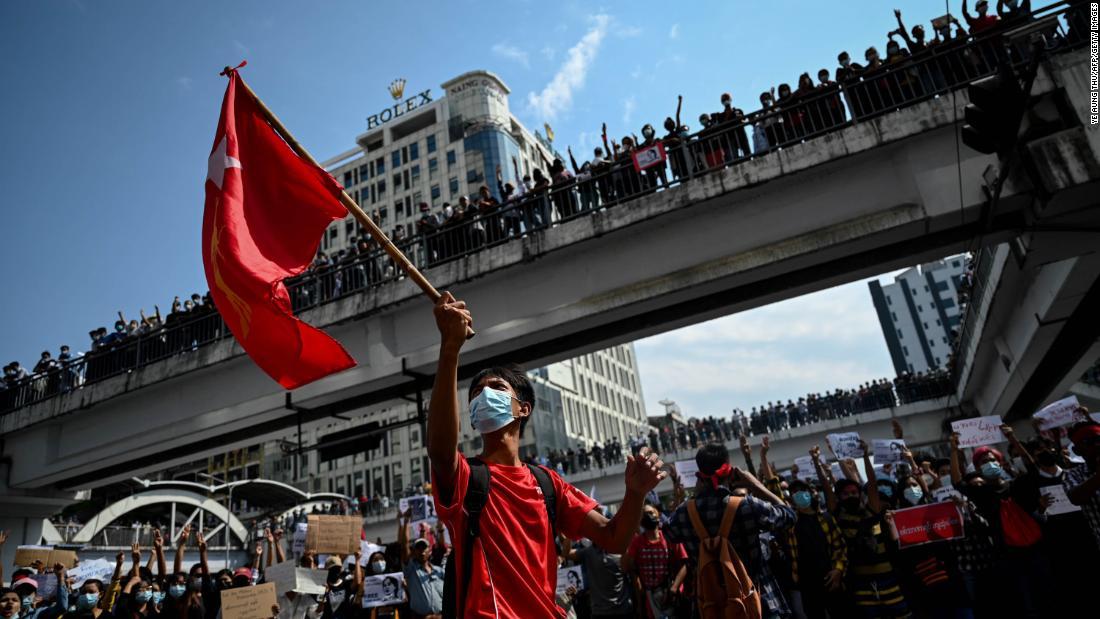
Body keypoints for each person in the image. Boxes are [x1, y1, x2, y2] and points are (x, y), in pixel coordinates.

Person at [427, 292, 665, 618]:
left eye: (496, 388)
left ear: (523, 408)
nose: (483, 396)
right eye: (476, 394)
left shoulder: (549, 484)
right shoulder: (466, 478)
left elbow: (614, 539)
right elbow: (440, 451)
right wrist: (450, 348)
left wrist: (635, 494)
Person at [664, 443, 795, 619]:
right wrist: (755, 484)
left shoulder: (684, 513)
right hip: (757, 602)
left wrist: (695, 493)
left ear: (699, 473)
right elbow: (789, 515)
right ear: (729, 469)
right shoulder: (746, 505)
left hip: (712, 608)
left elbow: (668, 533)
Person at [623, 504, 687, 619]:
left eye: (651, 513)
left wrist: (674, 587)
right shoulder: (637, 542)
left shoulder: (669, 537)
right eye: (644, 515)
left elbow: (684, 564)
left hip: (672, 594)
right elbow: (628, 567)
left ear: (658, 514)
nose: (648, 516)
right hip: (651, 598)